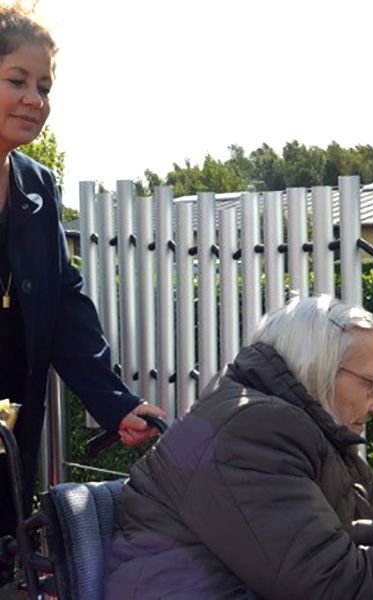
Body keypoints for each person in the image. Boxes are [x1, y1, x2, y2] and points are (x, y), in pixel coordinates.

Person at [106, 295, 373, 599]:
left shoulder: (275, 423)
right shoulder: (252, 430)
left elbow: (353, 546)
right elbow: (331, 583)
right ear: (315, 370)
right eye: (369, 382)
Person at [0, 4, 165, 581]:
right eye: (16, 81)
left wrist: (116, 403)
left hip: (10, 432)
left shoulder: (37, 187)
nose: (35, 100)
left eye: (44, 87)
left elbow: (67, 307)